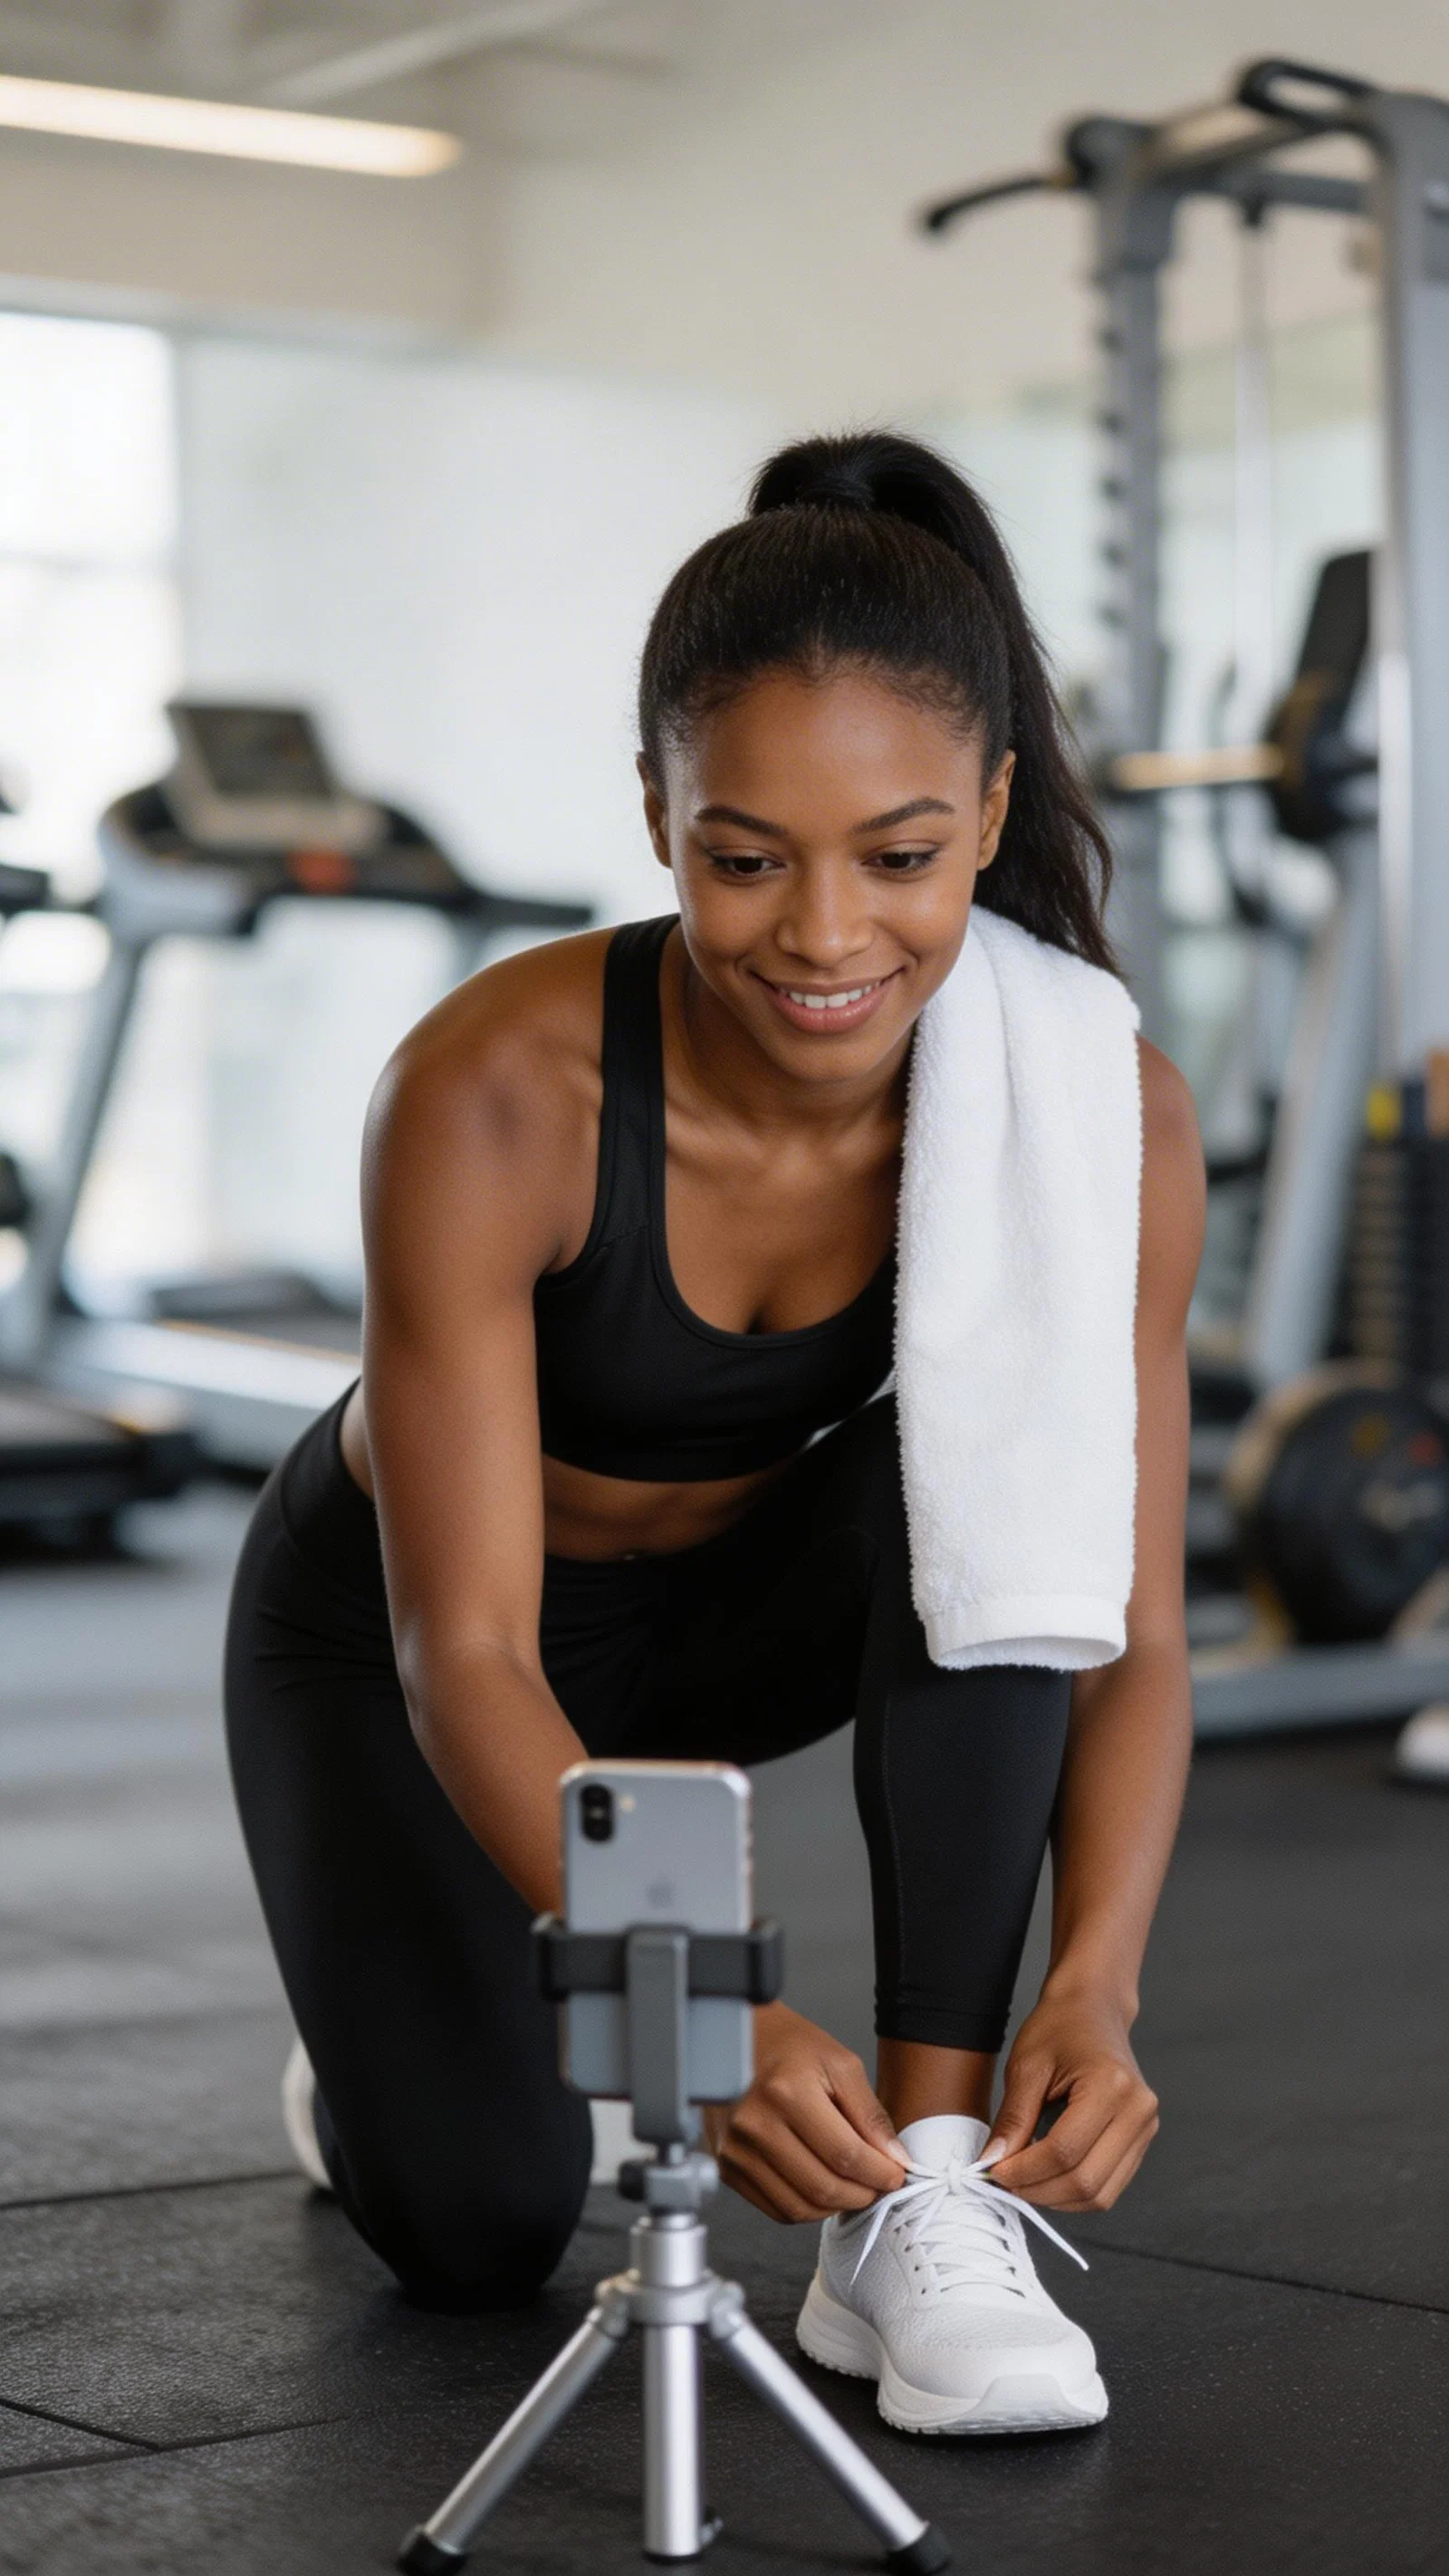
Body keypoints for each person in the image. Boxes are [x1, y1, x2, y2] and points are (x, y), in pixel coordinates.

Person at [226, 430, 1203, 2438]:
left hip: (747, 1609)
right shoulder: (494, 1086)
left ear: (993, 811)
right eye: (743, 856)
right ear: (655, 814)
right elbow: (466, 1653)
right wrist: (708, 2006)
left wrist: (1091, 1985)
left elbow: (1119, 1613)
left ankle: (918, 2215)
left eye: (902, 857)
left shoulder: (1087, 1107)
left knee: (994, 1484)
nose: (825, 937)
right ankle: (381, 2042)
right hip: (419, 1643)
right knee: (482, 2229)